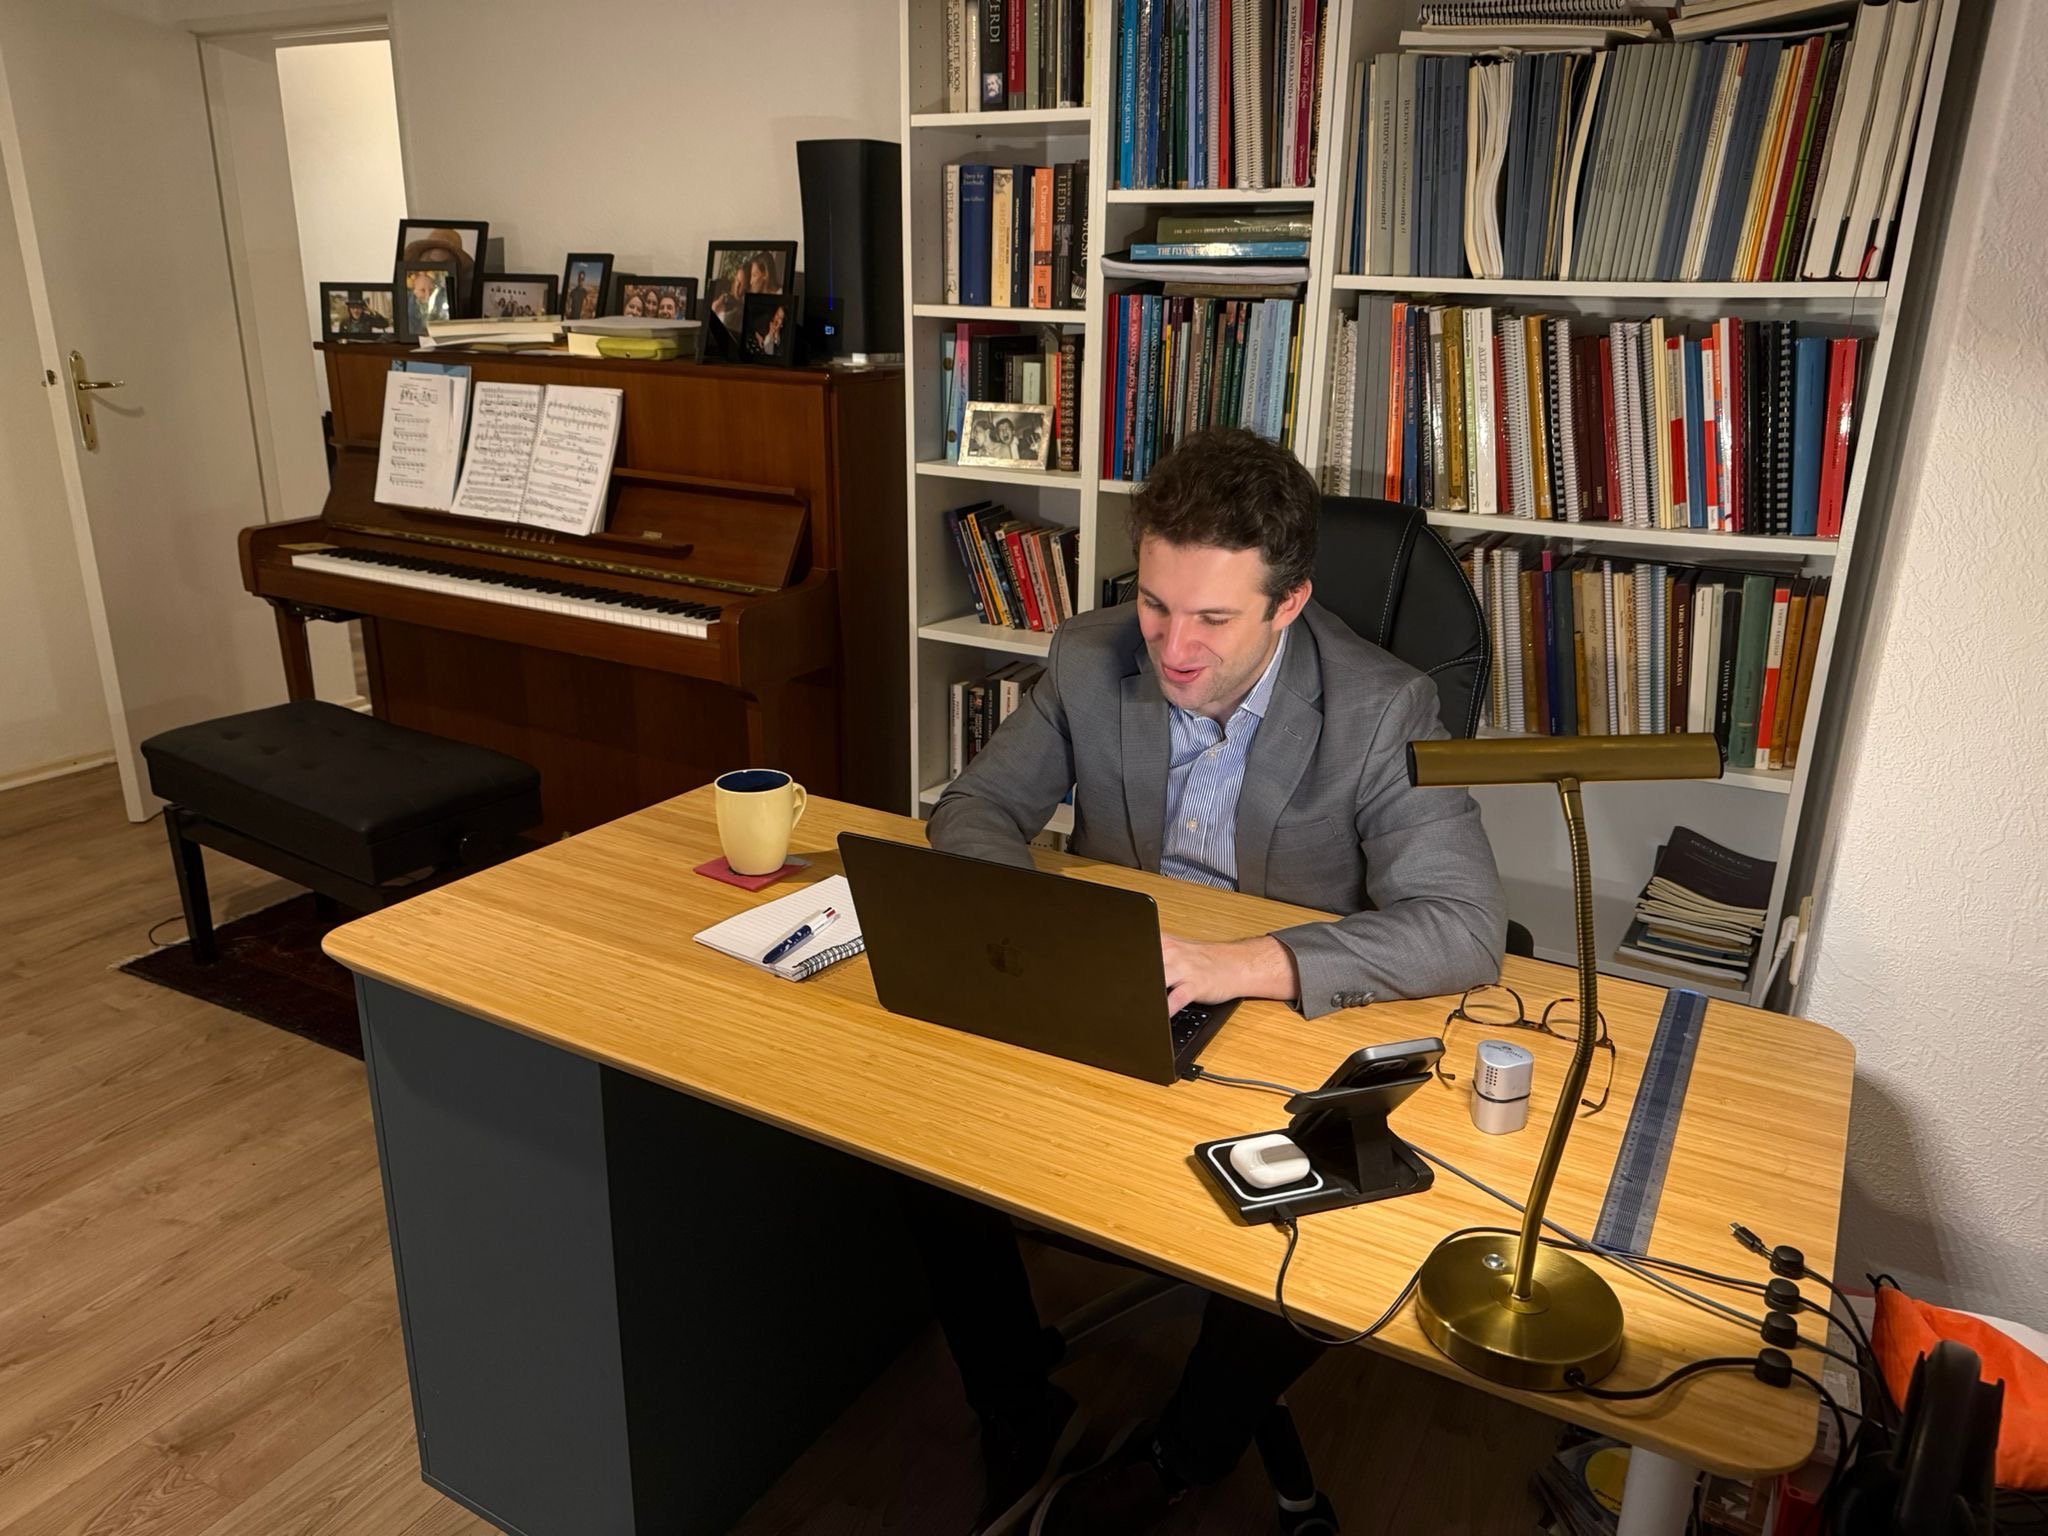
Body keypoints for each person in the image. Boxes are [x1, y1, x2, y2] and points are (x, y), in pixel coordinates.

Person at [921, 427, 1506, 1536]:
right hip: (1113, 989)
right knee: (922, 1142)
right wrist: (1059, 932)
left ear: (1286, 605)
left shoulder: (1381, 706)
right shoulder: (1093, 656)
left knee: (1322, 1209)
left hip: (1278, 1018)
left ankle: (1182, 1451)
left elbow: (1466, 925)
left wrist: (1234, 963)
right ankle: (1013, 1405)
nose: (1172, 648)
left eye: (1211, 618)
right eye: (1154, 604)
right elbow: (973, 810)